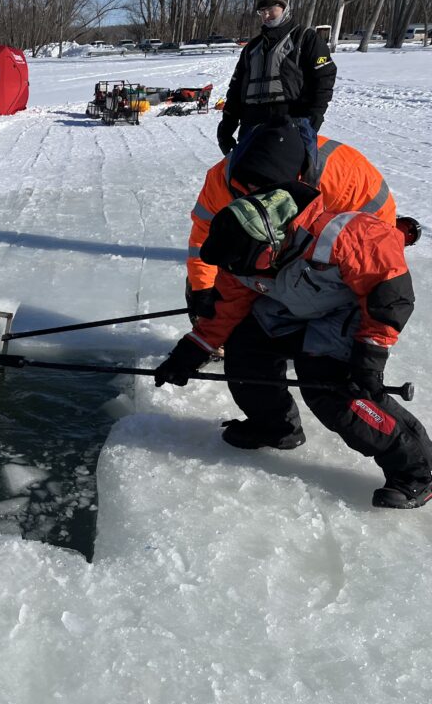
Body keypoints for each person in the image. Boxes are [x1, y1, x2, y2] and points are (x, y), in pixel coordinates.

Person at [155, 183, 432, 509]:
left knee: (330, 387)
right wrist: (190, 351)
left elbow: (390, 295)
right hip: (295, 301)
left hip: (351, 309)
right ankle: (274, 426)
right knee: (246, 349)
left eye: (241, 266)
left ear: (271, 244)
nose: (234, 272)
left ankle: (416, 471)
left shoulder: (345, 236)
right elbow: (227, 308)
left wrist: (370, 355)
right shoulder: (239, 257)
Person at [187, 116, 418, 322]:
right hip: (290, 240)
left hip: (350, 237)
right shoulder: (222, 180)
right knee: (236, 261)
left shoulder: (345, 180)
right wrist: (202, 288)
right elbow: (204, 235)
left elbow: (377, 252)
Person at [216, 0, 336, 157]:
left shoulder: (305, 39)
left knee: (284, 182)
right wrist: (226, 127)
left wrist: (312, 120)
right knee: (244, 181)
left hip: (288, 127)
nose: (265, 15)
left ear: (285, 7)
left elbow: (323, 81)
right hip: (251, 128)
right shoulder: (252, 48)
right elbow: (235, 90)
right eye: (261, 11)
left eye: (271, 9)